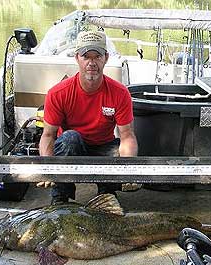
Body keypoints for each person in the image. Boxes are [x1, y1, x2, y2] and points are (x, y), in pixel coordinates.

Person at [39, 30, 138, 205]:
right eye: (86, 56)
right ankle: (61, 198)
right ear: (77, 58)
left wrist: (128, 168)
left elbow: (127, 135)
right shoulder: (58, 93)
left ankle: (107, 197)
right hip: (73, 146)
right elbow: (48, 135)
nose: (92, 63)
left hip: (103, 146)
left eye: (97, 56)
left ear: (106, 58)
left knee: (117, 150)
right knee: (70, 138)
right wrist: (48, 167)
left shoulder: (120, 93)